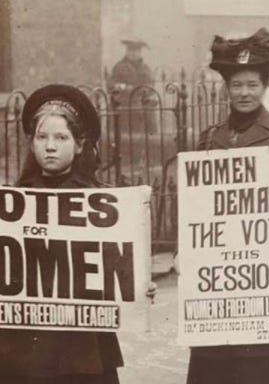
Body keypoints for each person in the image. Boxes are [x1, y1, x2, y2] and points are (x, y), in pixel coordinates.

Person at [186, 28, 269, 384]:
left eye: (252, 85)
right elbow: (199, 207)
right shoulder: (210, 139)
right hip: (223, 273)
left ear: (265, 86)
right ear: (226, 88)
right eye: (237, 85)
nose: (244, 93)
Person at [1, 84, 155, 384]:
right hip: (20, 349)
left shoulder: (102, 204)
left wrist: (139, 285)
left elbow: (117, 266)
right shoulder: (12, 202)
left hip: (81, 350)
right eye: (42, 137)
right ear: (31, 143)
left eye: (61, 137)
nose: (50, 146)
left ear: (80, 144)